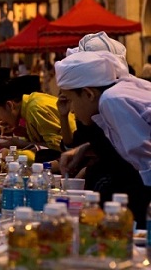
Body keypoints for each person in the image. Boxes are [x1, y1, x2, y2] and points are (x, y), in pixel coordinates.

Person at [55, 50, 151, 226]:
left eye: (70, 100)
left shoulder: (110, 100)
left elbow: (146, 161)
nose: (72, 110)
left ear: (88, 94)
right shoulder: (120, 89)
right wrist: (86, 148)